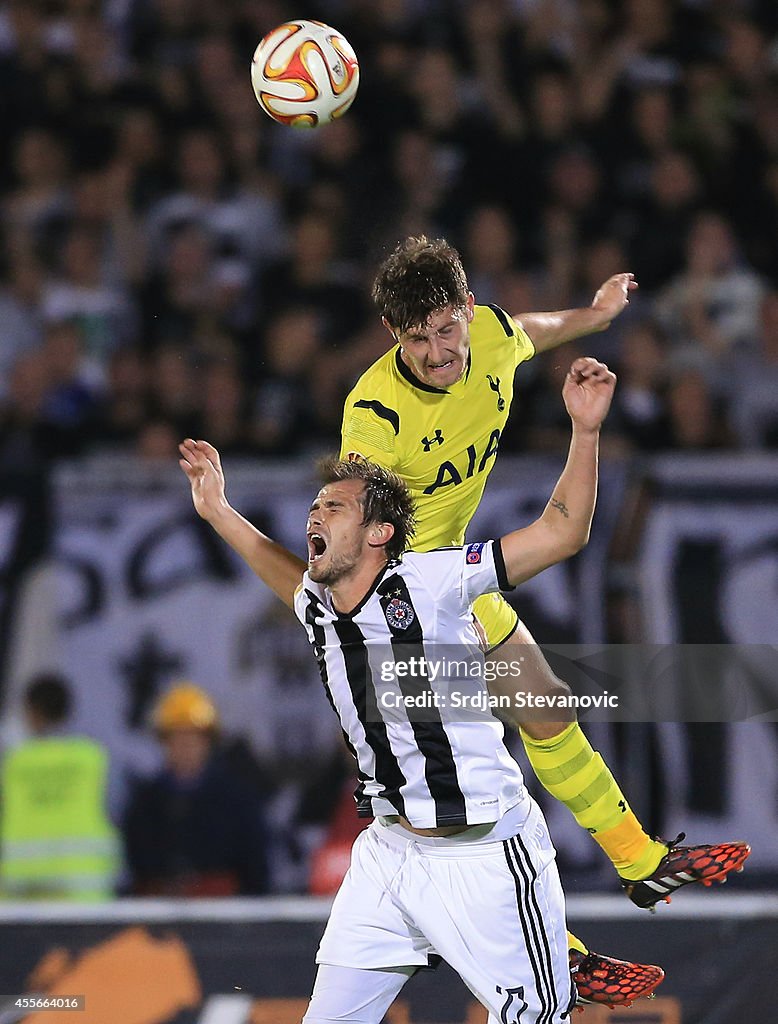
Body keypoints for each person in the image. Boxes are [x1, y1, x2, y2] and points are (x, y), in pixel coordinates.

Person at [179, 358, 663, 1019]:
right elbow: (281, 572)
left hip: (486, 852)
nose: (315, 514)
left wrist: (584, 432)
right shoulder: (318, 603)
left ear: (379, 533)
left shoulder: (434, 582)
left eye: (336, 507)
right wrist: (218, 511)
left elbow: (560, 533)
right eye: (316, 505)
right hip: (387, 855)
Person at [338, 237, 750, 975]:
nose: (437, 352)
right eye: (416, 339)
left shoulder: (489, 337)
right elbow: (348, 527)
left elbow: (533, 329)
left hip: (459, 583)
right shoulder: (375, 415)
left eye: (445, 328)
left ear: (466, 309)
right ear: (392, 337)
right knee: (473, 790)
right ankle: (544, 951)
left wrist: (594, 315)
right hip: (401, 609)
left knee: (549, 710)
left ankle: (638, 861)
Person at [122, 682, 269, 896]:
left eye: (193, 738)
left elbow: (255, 868)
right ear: (164, 742)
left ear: (208, 742)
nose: (185, 746)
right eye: (176, 738)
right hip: (159, 914)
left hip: (223, 913)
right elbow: (137, 867)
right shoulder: (146, 802)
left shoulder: (236, 799)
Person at [0, 674, 119, 901]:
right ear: (69, 711)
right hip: (83, 901)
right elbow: (119, 818)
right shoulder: (94, 760)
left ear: (31, 712)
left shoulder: (11, 764)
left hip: (19, 901)